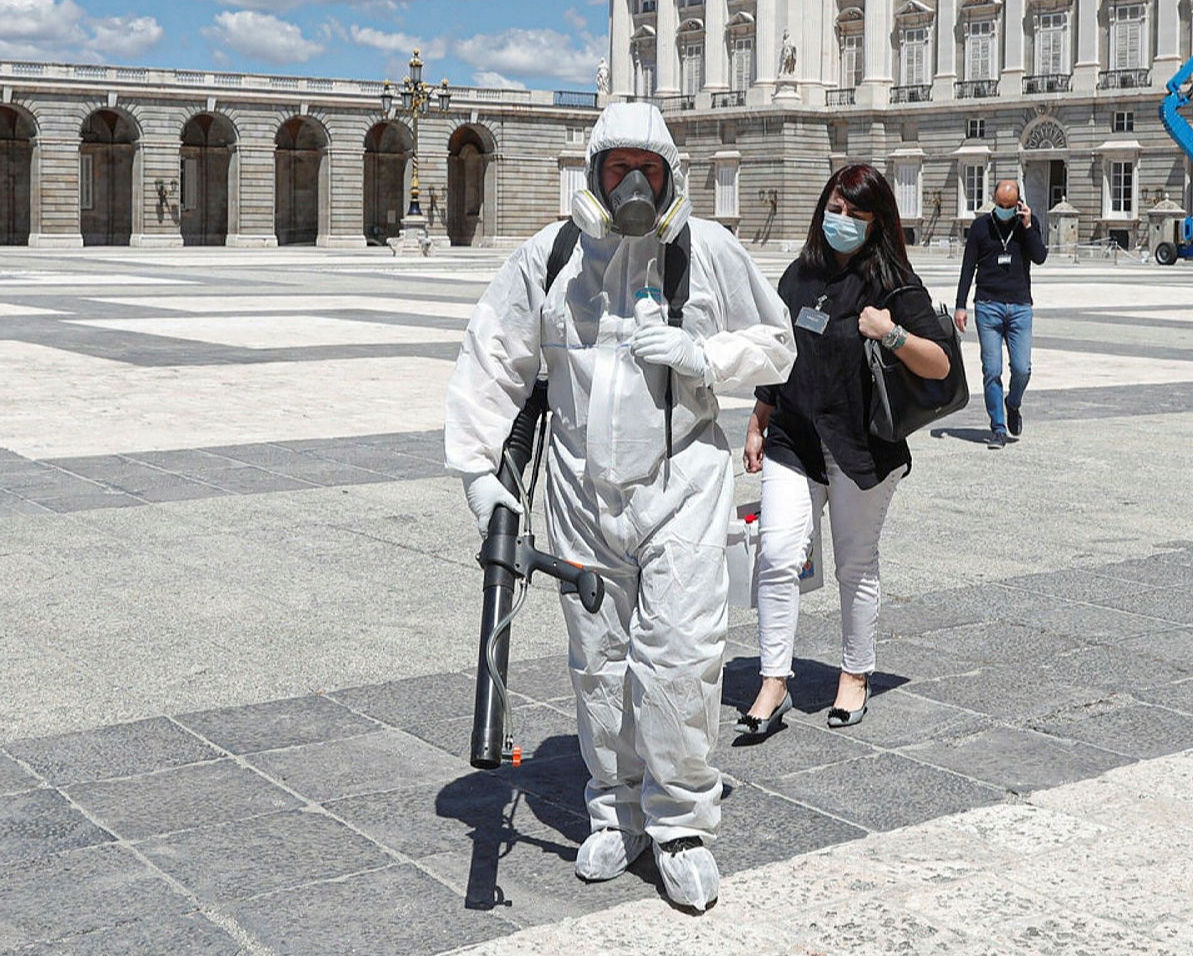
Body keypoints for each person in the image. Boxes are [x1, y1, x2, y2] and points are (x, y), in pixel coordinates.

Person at [443, 102, 793, 913]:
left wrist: (704, 355)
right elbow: (492, 356)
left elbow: (778, 344)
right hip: (578, 487)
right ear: (596, 173)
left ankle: (681, 825)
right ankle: (615, 808)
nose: (635, 183)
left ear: (670, 175)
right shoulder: (551, 257)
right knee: (598, 660)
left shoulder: (708, 250)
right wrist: (477, 473)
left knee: (681, 657)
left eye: (649, 168)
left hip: (682, 483)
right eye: (618, 168)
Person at [739, 164, 954, 735]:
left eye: (856, 214)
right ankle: (773, 681)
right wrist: (759, 418)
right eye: (835, 210)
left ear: (876, 221)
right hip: (795, 440)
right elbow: (779, 355)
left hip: (862, 448)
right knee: (777, 555)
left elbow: (940, 364)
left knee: (854, 565)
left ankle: (855, 673)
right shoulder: (799, 275)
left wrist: (890, 332)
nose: (842, 221)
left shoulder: (893, 283)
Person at [954, 179, 1047, 448]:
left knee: (1022, 369)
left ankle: (1013, 403)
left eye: (1010, 206)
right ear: (994, 201)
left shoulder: (1028, 223)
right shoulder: (980, 227)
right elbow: (968, 267)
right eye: (1001, 205)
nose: (1005, 210)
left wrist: (1027, 227)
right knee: (992, 370)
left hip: (1020, 306)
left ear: (1019, 203)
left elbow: (1040, 256)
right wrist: (960, 305)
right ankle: (997, 427)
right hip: (988, 305)